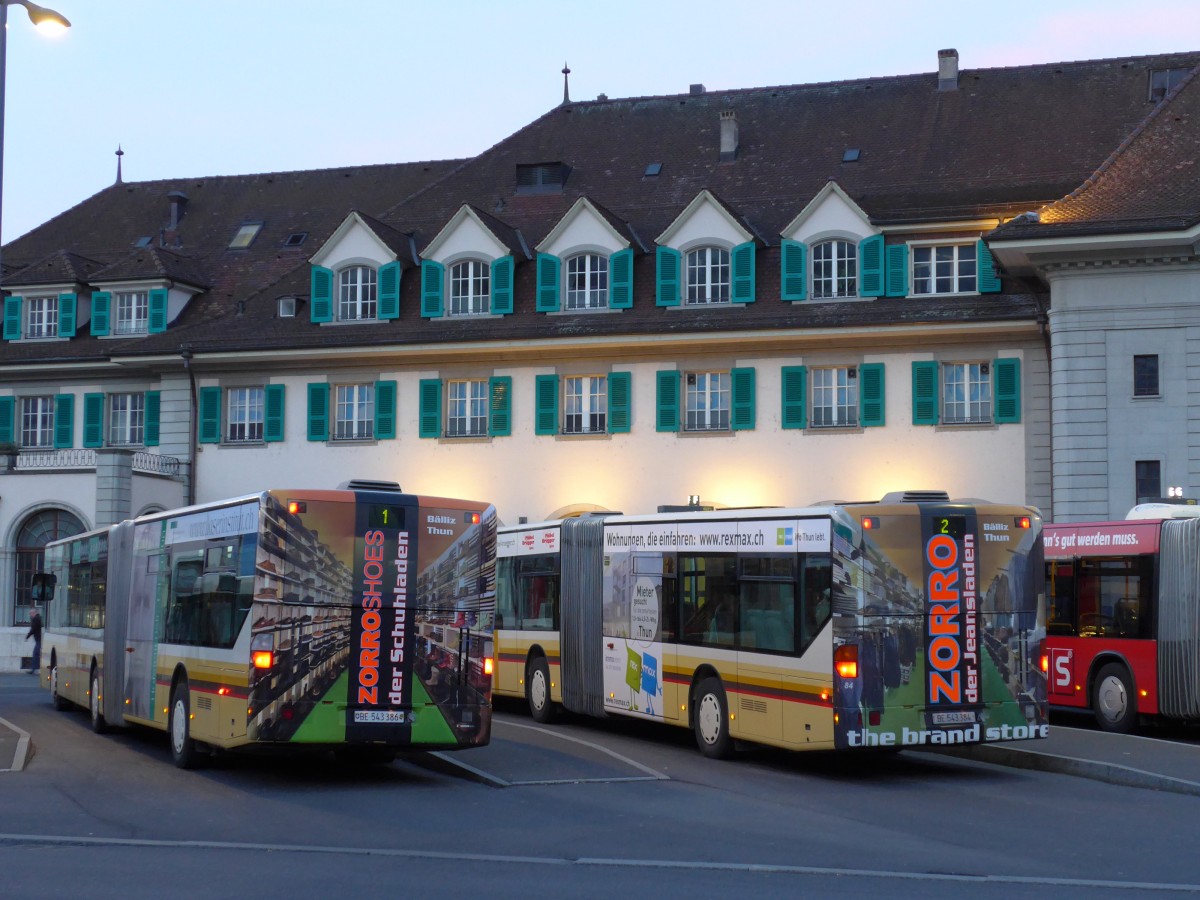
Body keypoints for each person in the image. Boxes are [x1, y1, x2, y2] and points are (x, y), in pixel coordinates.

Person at [25, 605, 43, 675]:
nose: (30, 615)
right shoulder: (38, 618)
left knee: (37, 654)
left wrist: (27, 636)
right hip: (39, 639)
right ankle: (34, 669)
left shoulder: (36, 619)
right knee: (36, 654)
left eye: (30, 613)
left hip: (39, 639)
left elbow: (33, 629)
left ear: (34, 613)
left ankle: (35, 669)